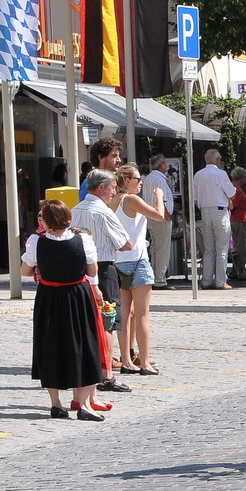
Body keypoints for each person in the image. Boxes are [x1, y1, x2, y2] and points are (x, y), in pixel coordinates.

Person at [22, 198, 104, 419]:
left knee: (50, 345)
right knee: (85, 344)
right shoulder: (83, 240)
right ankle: (84, 404)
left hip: (49, 296)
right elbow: (93, 271)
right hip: (78, 295)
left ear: (46, 221)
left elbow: (25, 271)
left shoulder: (36, 241)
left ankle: (56, 403)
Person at [70, 169, 134, 392]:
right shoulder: (103, 212)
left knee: (86, 322)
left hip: (78, 271)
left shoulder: (75, 210)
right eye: (113, 187)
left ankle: (87, 371)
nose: (115, 192)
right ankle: (106, 375)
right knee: (107, 321)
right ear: (101, 188)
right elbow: (126, 243)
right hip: (103, 268)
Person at [113, 165, 167, 375]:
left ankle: (126, 359)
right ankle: (144, 361)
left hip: (119, 261)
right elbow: (158, 215)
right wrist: (159, 197)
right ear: (126, 181)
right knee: (142, 315)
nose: (141, 182)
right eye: (137, 179)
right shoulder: (131, 199)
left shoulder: (113, 200)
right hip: (137, 260)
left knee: (125, 315)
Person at [191, 149, 236, 290]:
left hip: (205, 212)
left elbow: (195, 198)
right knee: (221, 248)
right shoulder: (221, 174)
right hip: (219, 212)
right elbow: (232, 193)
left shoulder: (198, 175)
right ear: (218, 160)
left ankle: (206, 280)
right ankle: (221, 281)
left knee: (208, 249)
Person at [142, 155, 176, 287]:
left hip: (150, 216)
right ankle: (160, 279)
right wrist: (167, 216)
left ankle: (155, 276)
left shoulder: (149, 178)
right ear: (162, 165)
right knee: (163, 249)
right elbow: (162, 201)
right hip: (161, 216)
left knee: (156, 249)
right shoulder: (160, 180)